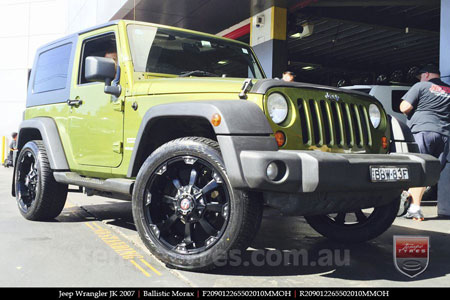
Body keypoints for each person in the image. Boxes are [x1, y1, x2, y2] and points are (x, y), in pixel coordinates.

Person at [399, 64, 450, 221]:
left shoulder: (421, 85)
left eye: (421, 76)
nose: (420, 78)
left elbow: (404, 107)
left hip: (423, 130)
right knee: (431, 173)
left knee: (418, 169)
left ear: (426, 74)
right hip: (444, 134)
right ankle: (413, 204)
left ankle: (413, 205)